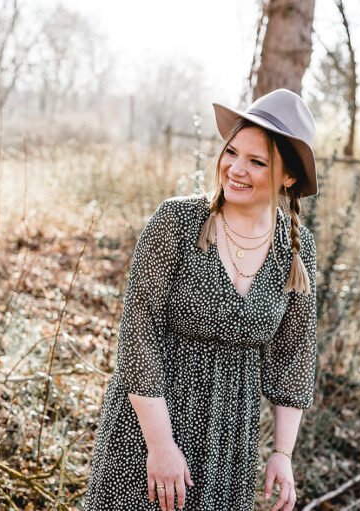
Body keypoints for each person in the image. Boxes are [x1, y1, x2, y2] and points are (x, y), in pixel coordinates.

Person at [83, 88, 318, 511]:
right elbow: (139, 335)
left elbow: (293, 357)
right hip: (150, 424)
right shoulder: (177, 220)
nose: (236, 169)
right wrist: (160, 446)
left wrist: (282, 454)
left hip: (229, 441)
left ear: (288, 178)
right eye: (232, 152)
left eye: (257, 161)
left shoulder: (296, 250)